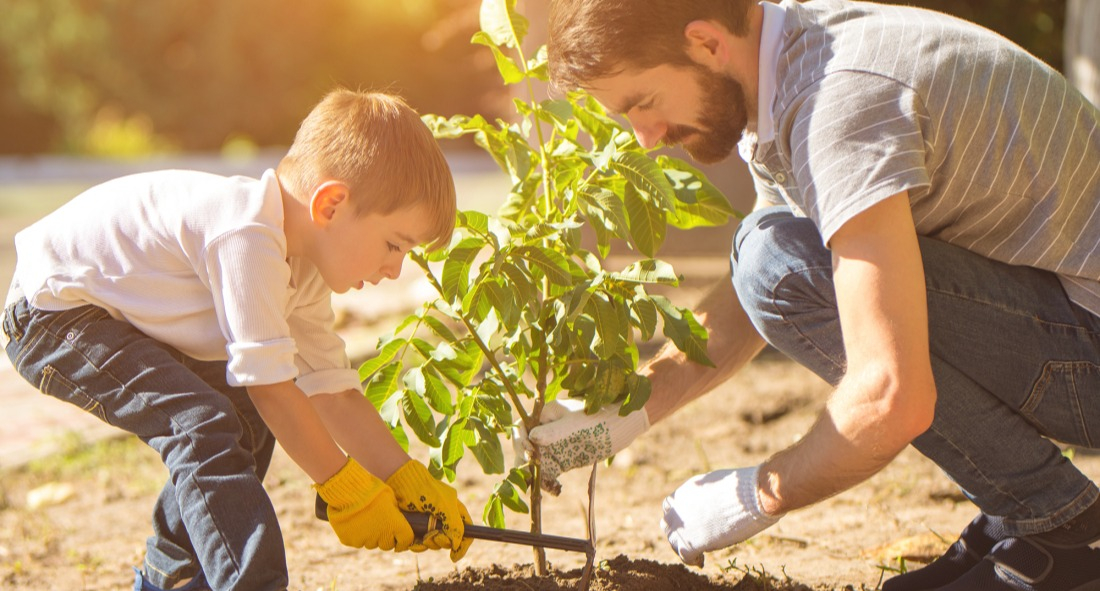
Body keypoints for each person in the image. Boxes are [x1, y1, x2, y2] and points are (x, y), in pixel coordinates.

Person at [526, 1, 1100, 589]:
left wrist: (759, 493)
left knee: (771, 259)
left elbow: (889, 392)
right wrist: (629, 410)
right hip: (1071, 314)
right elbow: (769, 287)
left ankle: (1064, 531)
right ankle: (1030, 516)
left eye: (642, 104)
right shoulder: (788, 58)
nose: (644, 139)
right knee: (768, 251)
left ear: (705, 43)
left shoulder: (838, 104)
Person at [1, 89, 472, 591]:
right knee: (200, 424)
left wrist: (404, 479)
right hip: (53, 314)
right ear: (331, 204)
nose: (394, 268)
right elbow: (272, 387)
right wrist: (347, 490)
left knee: (243, 419)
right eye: (393, 244)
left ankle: (173, 577)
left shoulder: (305, 269)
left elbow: (331, 392)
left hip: (116, 317)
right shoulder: (245, 233)